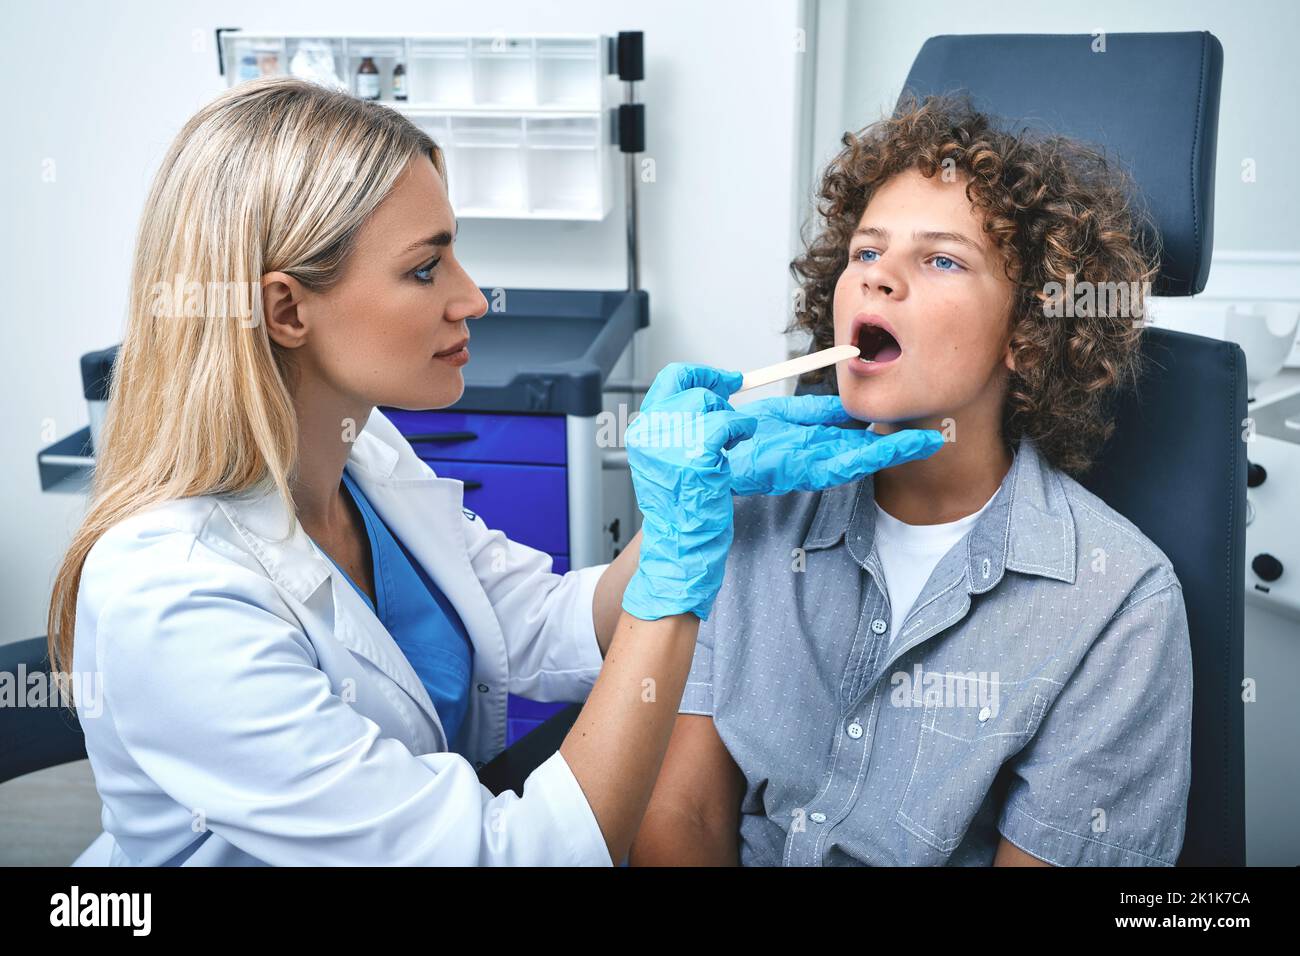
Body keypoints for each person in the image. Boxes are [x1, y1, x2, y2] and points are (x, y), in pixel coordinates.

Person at [48, 76, 943, 866]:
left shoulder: (361, 452)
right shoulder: (174, 596)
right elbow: (512, 857)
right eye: (426, 266)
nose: (472, 297)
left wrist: (703, 504)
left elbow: (539, 625)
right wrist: (673, 577)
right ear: (287, 309)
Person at [630, 94, 1194, 867]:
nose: (877, 280)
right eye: (865, 253)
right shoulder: (746, 511)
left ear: (1029, 337)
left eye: (941, 259)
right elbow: (683, 817)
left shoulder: (1117, 604)